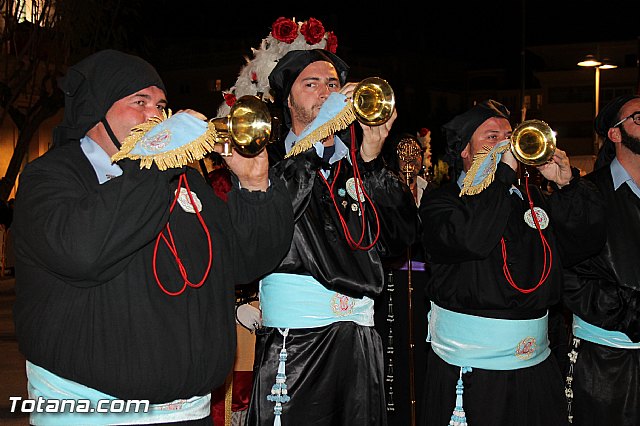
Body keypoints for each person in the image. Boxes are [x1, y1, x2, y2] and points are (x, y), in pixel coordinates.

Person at [11, 49, 294, 425]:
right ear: (98, 109)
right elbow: (84, 252)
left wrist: (254, 184)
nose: (155, 116)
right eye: (139, 102)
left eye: (161, 105)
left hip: (187, 411)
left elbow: (243, 262)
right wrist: (157, 161)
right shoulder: (51, 177)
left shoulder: (183, 178)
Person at [244, 49, 419, 426]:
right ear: (288, 98)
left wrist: (372, 160)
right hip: (298, 340)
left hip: (357, 339)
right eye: (311, 84)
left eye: (333, 84)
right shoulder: (265, 159)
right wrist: (315, 139)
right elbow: (271, 221)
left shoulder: (357, 161)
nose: (326, 93)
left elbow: (401, 236)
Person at [418, 100, 605, 426]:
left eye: (510, 136)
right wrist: (501, 175)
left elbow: (585, 246)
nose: (506, 144)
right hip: (475, 373)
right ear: (464, 151)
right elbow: (472, 239)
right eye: (492, 137)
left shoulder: (534, 199)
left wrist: (567, 185)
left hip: (537, 367)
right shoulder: (443, 202)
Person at [563, 94, 640, 426]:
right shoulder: (586, 194)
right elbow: (569, 276)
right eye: (639, 117)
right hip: (606, 359)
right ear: (615, 133)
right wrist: (631, 313)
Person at [376, 132, 430, 425]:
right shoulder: (385, 192)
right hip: (390, 285)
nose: (411, 158)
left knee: (421, 353)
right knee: (391, 355)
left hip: (423, 287)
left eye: (416, 152)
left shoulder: (432, 193)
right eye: (404, 151)